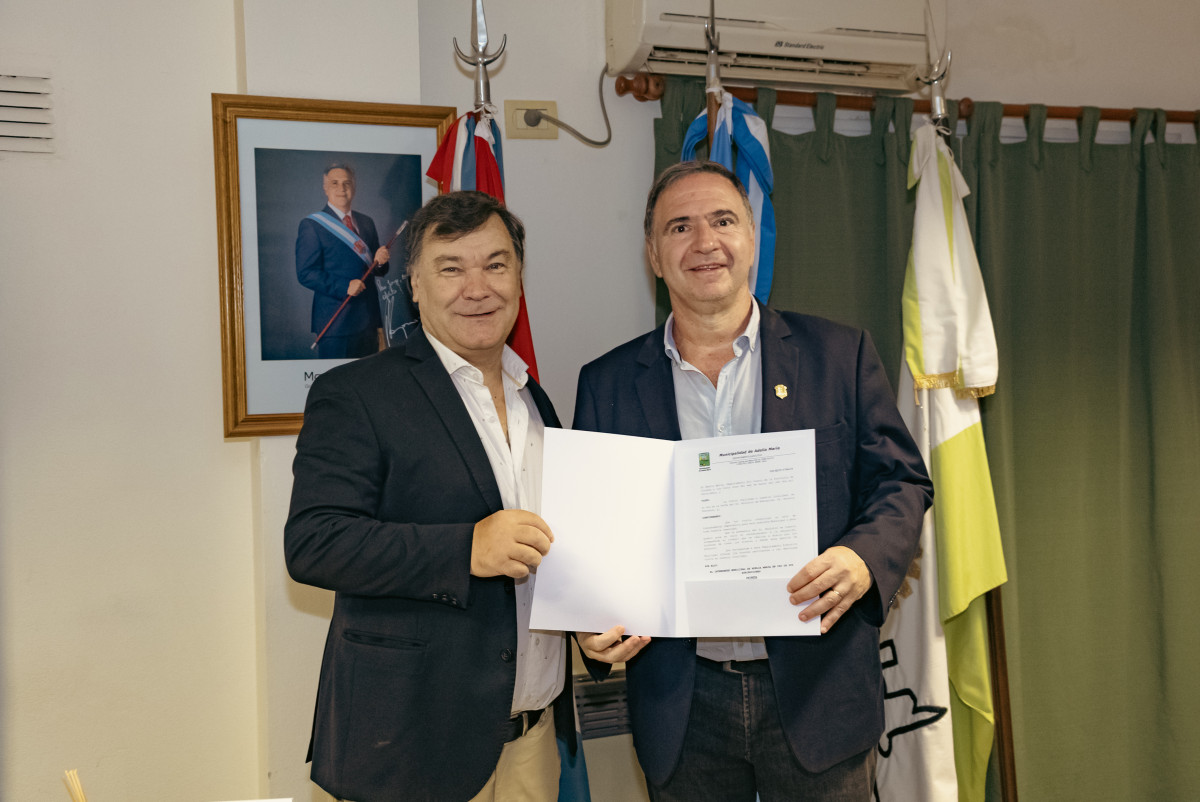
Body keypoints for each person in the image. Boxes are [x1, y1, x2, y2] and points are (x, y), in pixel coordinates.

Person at [573, 161, 933, 800]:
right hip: (681, 701)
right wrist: (588, 618)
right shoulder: (606, 383)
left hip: (818, 689)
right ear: (654, 255)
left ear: (751, 239)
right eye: (679, 227)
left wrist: (861, 558)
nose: (704, 242)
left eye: (723, 221)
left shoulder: (838, 354)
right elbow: (593, 533)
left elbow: (902, 482)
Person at [285, 190, 573, 802]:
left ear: (519, 276)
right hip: (410, 749)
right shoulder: (357, 393)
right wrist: (466, 549)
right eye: (451, 268)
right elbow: (314, 543)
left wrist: (592, 626)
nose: (478, 288)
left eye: (496, 264)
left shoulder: (536, 400)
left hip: (533, 740)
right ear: (414, 285)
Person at [295, 163, 391, 359]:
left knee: (368, 376)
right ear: (325, 188)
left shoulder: (366, 222)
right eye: (335, 183)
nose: (341, 188)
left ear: (353, 187)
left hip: (369, 321)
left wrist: (380, 262)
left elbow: (377, 270)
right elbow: (306, 273)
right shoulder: (312, 225)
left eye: (346, 183)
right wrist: (344, 286)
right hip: (336, 322)